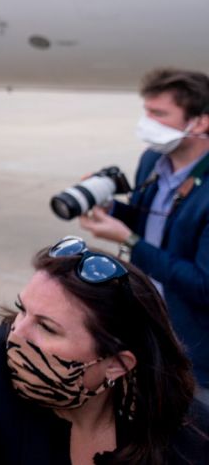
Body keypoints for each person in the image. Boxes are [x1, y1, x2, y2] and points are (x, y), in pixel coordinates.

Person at [0, 237, 209, 464]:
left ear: (117, 364)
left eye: (47, 327)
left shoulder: (182, 424)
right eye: (22, 310)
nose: (17, 331)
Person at [78, 68, 209, 405]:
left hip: (196, 349)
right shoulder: (153, 159)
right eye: (146, 111)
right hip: (148, 331)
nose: (147, 122)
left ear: (201, 122)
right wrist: (108, 207)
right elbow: (152, 221)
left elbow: (202, 284)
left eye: (159, 114)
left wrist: (130, 240)